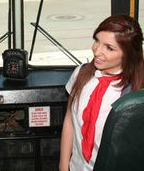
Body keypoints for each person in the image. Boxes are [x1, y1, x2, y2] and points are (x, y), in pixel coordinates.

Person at [59, 15, 144, 171]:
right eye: (97, 40)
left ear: (129, 54)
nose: (97, 51)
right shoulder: (81, 74)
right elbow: (70, 119)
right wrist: (63, 165)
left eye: (109, 48)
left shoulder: (137, 94)